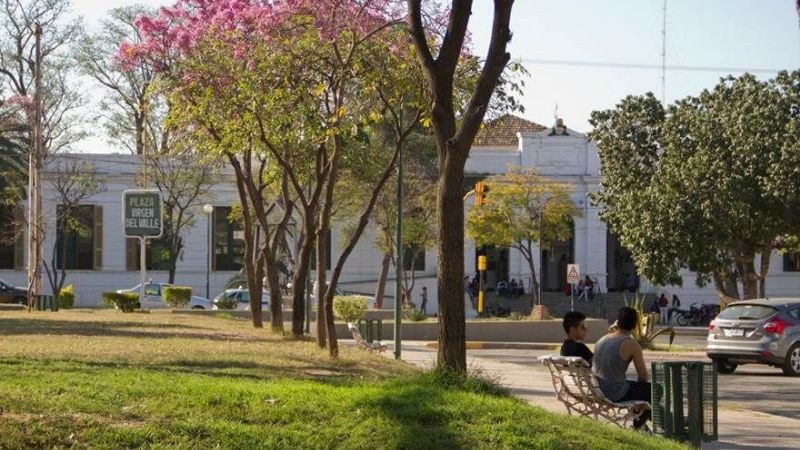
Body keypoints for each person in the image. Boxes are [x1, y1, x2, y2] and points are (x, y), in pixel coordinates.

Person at [592, 307, 652, 430]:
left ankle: (645, 421)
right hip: (614, 392)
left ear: (617, 322)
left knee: (638, 389)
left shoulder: (602, 339)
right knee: (654, 390)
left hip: (596, 388)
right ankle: (638, 427)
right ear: (635, 325)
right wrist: (640, 398)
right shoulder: (630, 343)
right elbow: (643, 376)